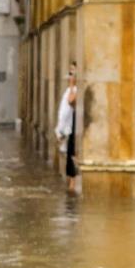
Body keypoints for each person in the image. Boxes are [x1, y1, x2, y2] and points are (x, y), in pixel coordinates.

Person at [55, 61, 78, 193]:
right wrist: (60, 130)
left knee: (72, 157)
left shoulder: (75, 89)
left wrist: (72, 84)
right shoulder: (69, 90)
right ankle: (70, 190)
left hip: (74, 128)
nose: (70, 75)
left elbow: (71, 101)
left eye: (72, 71)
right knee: (69, 158)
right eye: (70, 72)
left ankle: (72, 187)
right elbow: (63, 112)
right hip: (68, 129)